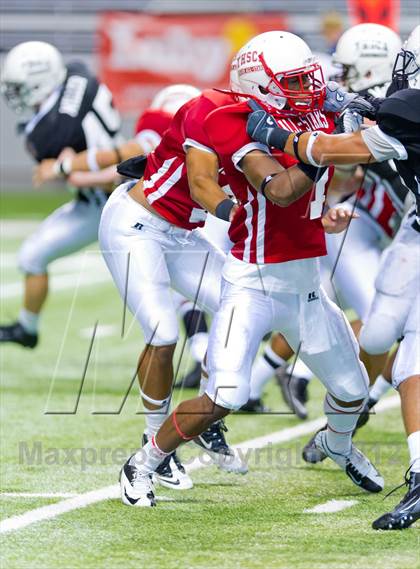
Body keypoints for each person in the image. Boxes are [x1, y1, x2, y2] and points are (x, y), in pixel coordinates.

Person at [120, 31, 384, 508]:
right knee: (224, 395)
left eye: (308, 79)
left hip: (305, 285)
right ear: (261, 85)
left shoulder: (311, 116)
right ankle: (144, 462)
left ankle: (337, 445)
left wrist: (330, 201)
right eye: (294, 82)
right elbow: (281, 189)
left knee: (353, 392)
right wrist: (327, 151)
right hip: (253, 283)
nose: (308, 90)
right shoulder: (243, 126)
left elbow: (332, 173)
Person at [246, 27, 420, 529]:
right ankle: (351, 414)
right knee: (382, 330)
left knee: (410, 354)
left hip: (400, 219)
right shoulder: (403, 109)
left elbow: (334, 151)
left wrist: (277, 136)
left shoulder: (409, 115)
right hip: (412, 225)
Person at [99, 86, 249, 498]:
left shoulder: (274, 124)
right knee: (163, 333)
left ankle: (207, 418)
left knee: (244, 303)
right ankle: (156, 448)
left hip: (183, 234)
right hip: (138, 224)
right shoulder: (214, 116)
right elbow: (201, 181)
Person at [33, 83, 211, 388]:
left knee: (222, 306)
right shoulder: (207, 133)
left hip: (192, 221)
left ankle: (237, 373)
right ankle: (221, 367)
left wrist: (66, 168)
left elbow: (121, 159)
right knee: (219, 301)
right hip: (206, 220)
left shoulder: (162, 125)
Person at [0, 41, 122, 348]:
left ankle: (204, 350)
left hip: (116, 204)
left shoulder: (48, 133)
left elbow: (85, 173)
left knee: (157, 287)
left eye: (19, 87)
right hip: (91, 203)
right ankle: (27, 328)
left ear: (39, 80)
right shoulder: (77, 75)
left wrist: (61, 169)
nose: (15, 95)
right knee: (32, 256)